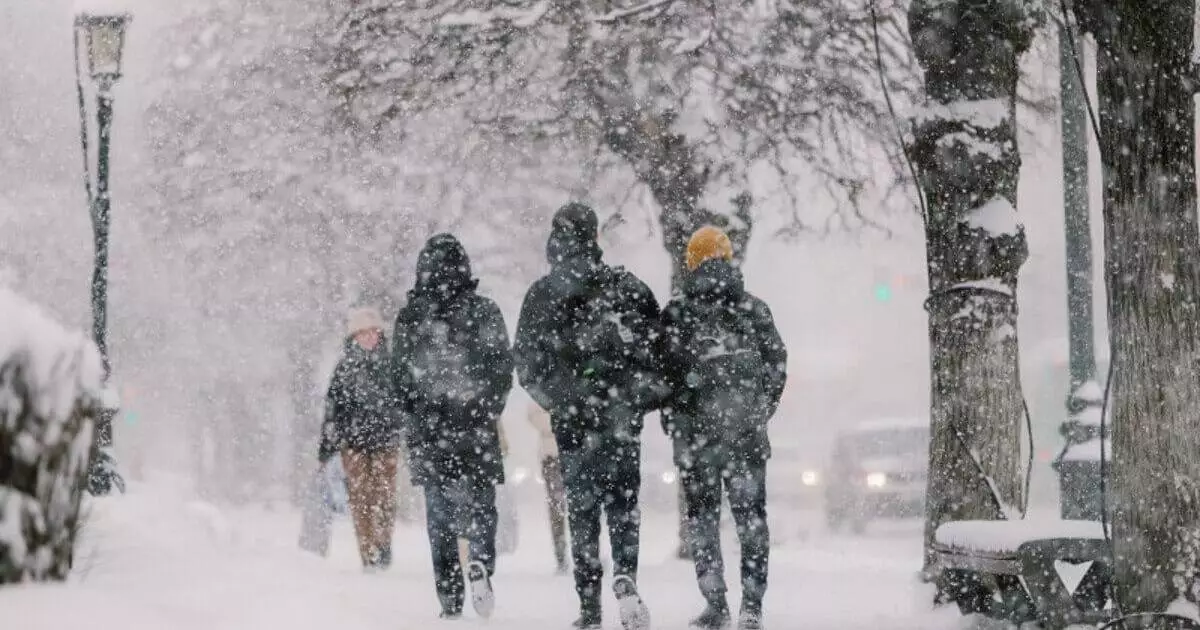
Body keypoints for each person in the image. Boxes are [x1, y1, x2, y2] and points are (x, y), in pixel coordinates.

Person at [514, 202, 666, 630]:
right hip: (619, 419)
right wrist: (633, 398)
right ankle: (625, 574)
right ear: (594, 237)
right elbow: (658, 351)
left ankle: (588, 605)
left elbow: (526, 362)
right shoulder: (624, 287)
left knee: (580, 509)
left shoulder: (542, 295)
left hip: (574, 424)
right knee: (624, 504)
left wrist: (561, 399)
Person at [660, 226, 787, 630]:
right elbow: (777, 364)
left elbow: (662, 373)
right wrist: (759, 409)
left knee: (702, 519)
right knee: (751, 518)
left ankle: (715, 603)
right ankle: (752, 604)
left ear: (691, 262)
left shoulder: (677, 313)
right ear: (729, 258)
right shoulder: (754, 309)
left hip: (695, 439)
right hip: (745, 435)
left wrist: (677, 412)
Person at [392, 234, 513, 620]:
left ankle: (449, 595)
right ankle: (479, 559)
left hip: (430, 430)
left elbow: (399, 378)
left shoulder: (411, 318)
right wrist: (488, 406)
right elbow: (501, 368)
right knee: (481, 503)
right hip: (475, 426)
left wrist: (416, 411)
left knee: (440, 511)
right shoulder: (484, 311)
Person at [317, 306, 403, 571]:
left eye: (372, 332)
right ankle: (368, 551)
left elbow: (405, 402)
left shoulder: (392, 364)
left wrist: (402, 426)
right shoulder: (344, 369)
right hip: (353, 445)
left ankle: (383, 541)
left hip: (386, 442)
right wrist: (327, 447)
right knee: (360, 498)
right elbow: (333, 409)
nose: (368, 338)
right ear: (353, 337)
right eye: (362, 333)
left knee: (384, 496)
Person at [526, 401, 569, 574]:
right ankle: (561, 555)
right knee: (557, 508)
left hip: (574, 452)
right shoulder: (544, 389)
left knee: (583, 507)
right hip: (552, 456)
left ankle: (585, 554)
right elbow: (533, 416)